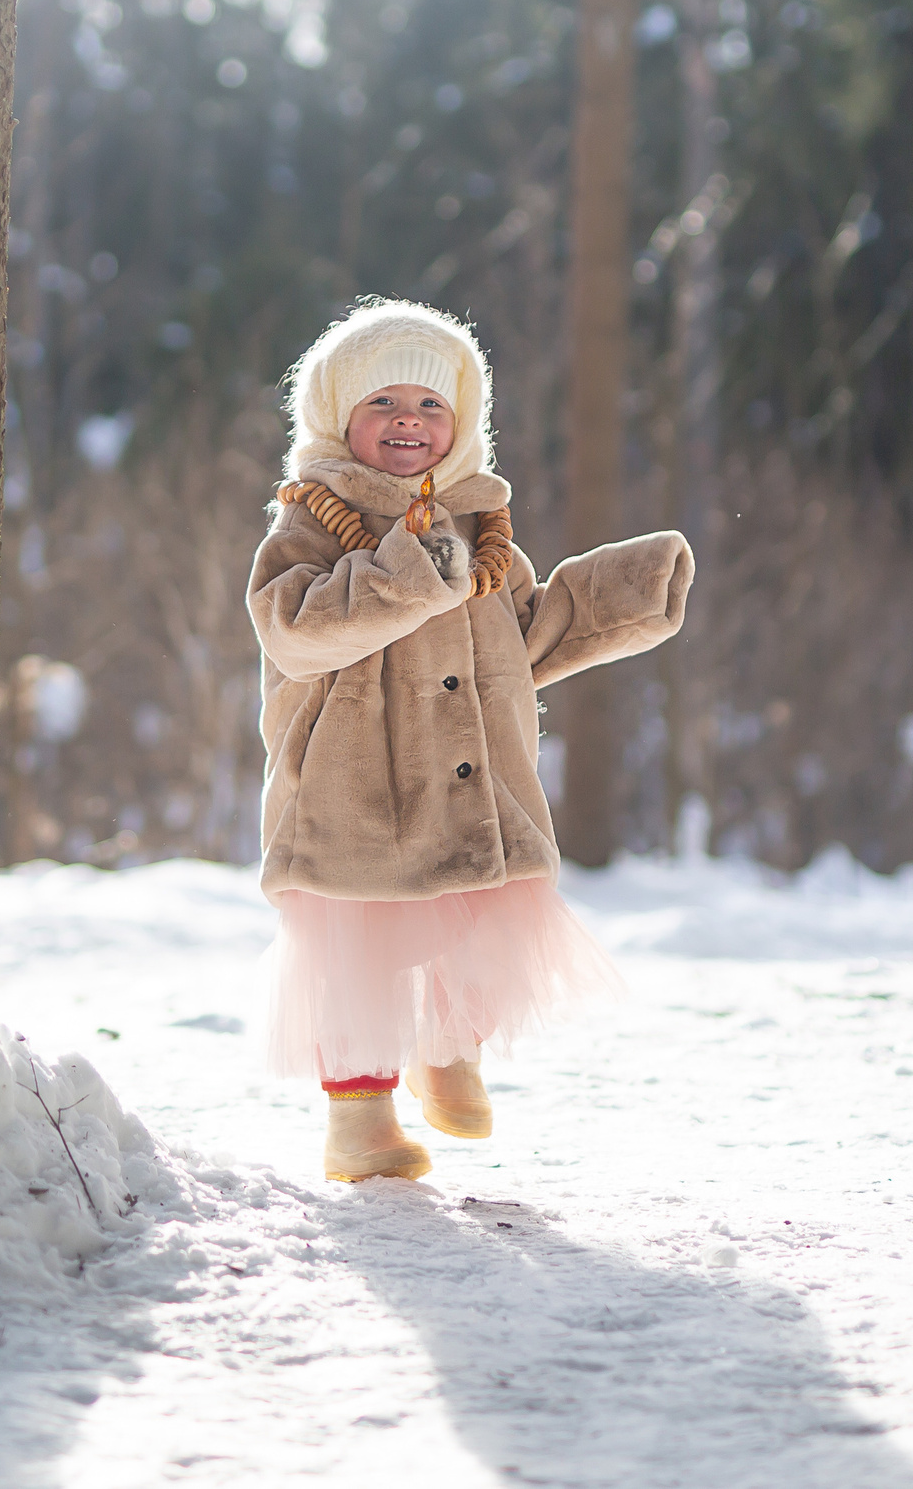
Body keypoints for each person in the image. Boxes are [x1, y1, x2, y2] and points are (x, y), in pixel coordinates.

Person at [246, 299, 692, 1182]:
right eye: (382, 405)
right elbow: (294, 629)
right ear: (338, 419)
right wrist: (407, 573)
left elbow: (519, 643)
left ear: (462, 425)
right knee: (360, 958)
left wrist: (616, 596)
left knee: (476, 918)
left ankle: (448, 1052)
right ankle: (361, 1119)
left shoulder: (481, 533)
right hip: (356, 790)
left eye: (430, 405)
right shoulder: (307, 524)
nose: (408, 421)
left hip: (465, 782)